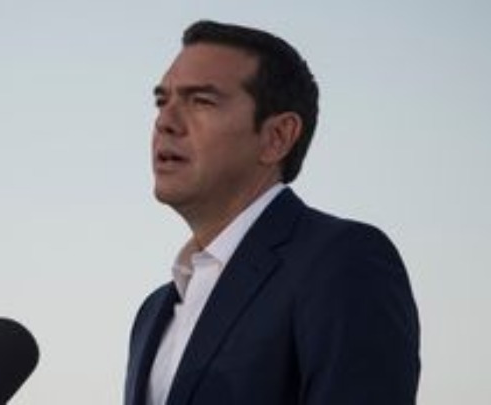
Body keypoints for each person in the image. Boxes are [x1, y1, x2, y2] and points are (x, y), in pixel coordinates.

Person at [124, 20, 420, 405]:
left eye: (201, 101)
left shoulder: (343, 261)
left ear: (277, 137)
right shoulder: (152, 313)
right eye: (162, 101)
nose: (165, 122)